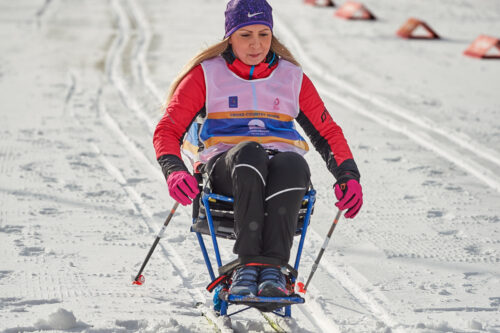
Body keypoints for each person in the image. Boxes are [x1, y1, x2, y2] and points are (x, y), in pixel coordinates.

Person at [153, 0, 363, 298]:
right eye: (246, 35)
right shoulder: (206, 75)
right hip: (228, 169)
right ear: (229, 37)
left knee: (293, 163)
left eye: (263, 34)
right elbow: (167, 130)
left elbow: (327, 131)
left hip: (281, 173)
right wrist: (174, 171)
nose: (256, 45)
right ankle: (247, 267)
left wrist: (348, 175)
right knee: (249, 152)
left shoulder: (291, 77)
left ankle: (272, 272)